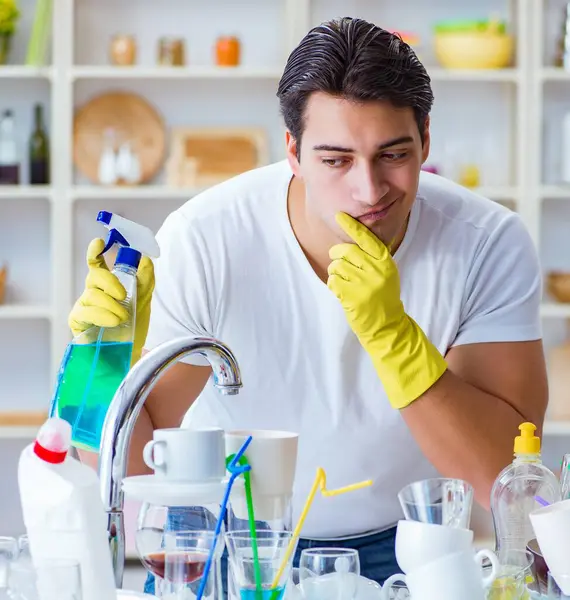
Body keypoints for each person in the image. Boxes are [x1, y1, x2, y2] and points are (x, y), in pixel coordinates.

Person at [70, 16, 548, 594]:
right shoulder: (208, 236)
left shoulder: (486, 242)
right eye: (336, 159)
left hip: (402, 550)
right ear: (293, 151)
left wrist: (393, 339)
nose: (369, 191)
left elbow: (500, 476)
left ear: (426, 137)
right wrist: (99, 365)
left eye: (393, 154)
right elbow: (125, 472)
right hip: (227, 542)